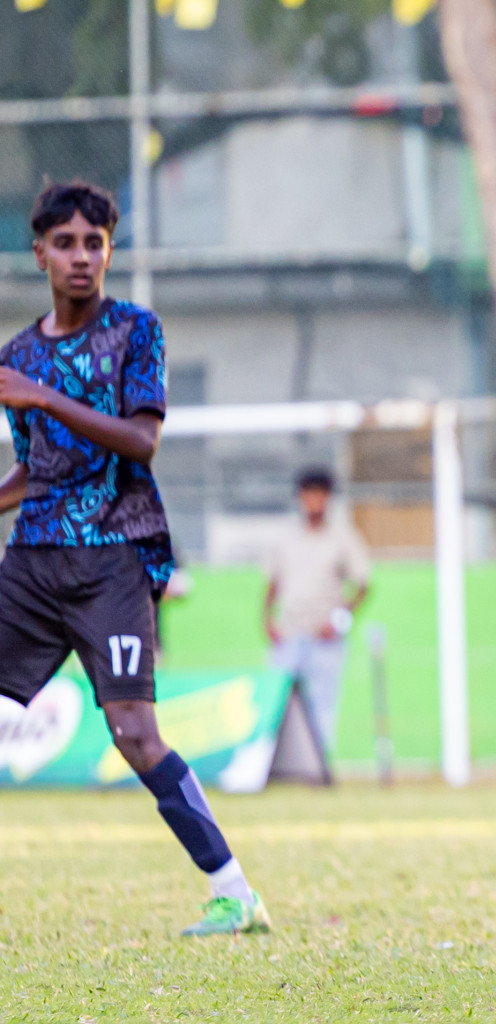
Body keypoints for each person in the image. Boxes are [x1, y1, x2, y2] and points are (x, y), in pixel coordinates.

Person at [0, 181, 270, 936]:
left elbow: (141, 440)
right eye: (65, 244)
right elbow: (39, 468)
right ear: (40, 253)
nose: (80, 257)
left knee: (132, 731)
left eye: (95, 243)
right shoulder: (16, 354)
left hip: (113, 557)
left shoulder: (135, 332)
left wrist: (44, 397)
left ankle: (234, 892)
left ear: (110, 250)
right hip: (33, 561)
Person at [264, 467, 371, 754]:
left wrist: (338, 621)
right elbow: (272, 583)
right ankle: (269, 770)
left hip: (324, 640)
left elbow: (362, 585)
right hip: (287, 636)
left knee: (322, 708)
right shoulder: (286, 537)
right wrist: (267, 620)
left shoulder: (342, 537)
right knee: (275, 706)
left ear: (328, 498)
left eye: (319, 495)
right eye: (308, 495)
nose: (313, 502)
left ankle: (317, 771)